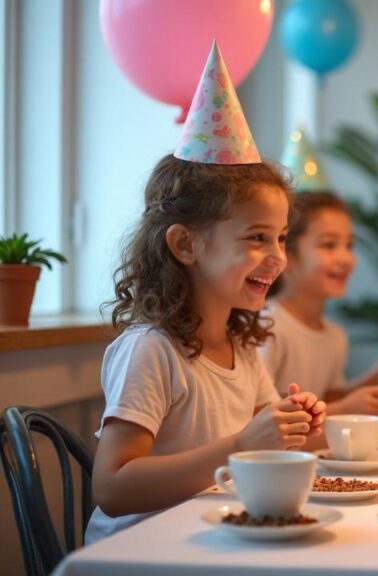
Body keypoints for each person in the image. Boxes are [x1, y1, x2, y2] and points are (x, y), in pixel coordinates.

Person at [88, 44, 326, 543]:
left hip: (214, 541)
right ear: (186, 244)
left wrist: (299, 429)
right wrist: (239, 446)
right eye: (256, 237)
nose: (278, 256)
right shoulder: (151, 349)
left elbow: (263, 451)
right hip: (144, 554)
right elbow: (112, 486)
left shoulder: (240, 346)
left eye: (281, 238)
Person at [260, 190, 378, 422]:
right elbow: (261, 412)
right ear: (287, 256)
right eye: (329, 245)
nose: (345, 258)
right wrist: (346, 407)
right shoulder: (267, 326)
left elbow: (328, 399)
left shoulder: (335, 336)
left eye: (349, 245)